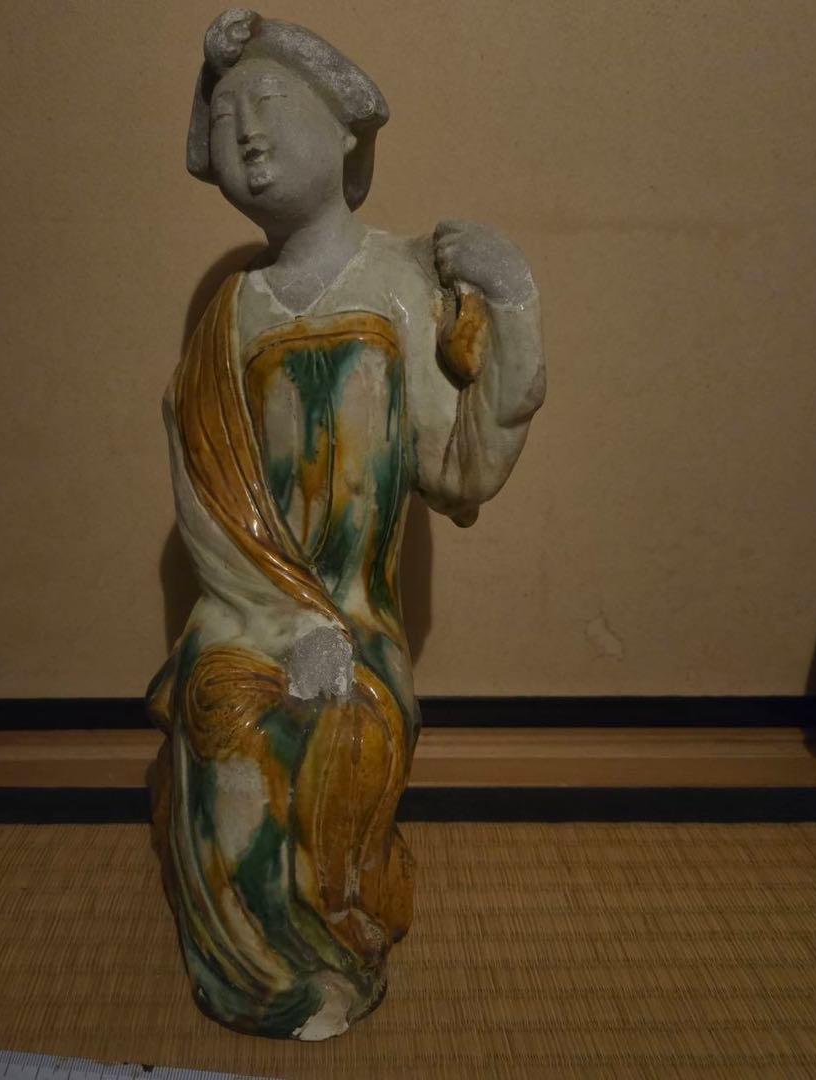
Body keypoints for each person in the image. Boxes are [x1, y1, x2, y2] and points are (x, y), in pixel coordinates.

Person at [148, 8, 546, 1040]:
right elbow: (203, 494)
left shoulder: (406, 285)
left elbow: (460, 469)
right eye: (227, 118)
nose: (247, 133)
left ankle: (334, 949)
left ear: (346, 133)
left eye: (271, 104)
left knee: (346, 724)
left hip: (358, 616)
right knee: (221, 711)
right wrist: (279, 624)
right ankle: (251, 968)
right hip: (251, 610)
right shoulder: (228, 312)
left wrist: (512, 303)